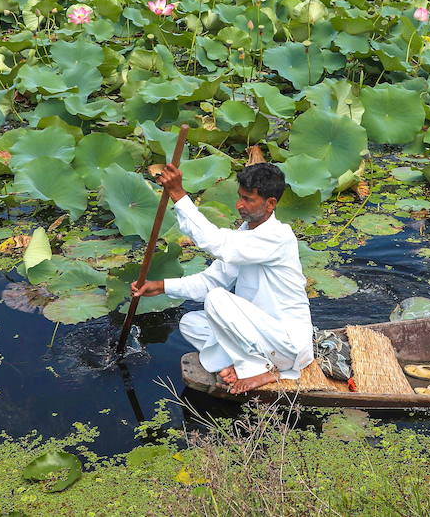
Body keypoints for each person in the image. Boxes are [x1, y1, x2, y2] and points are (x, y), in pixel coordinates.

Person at [129, 162, 313, 393]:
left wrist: (178, 194)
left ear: (270, 204)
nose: (239, 205)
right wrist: (163, 286)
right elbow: (210, 281)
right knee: (192, 323)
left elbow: (217, 244)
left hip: (287, 343)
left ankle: (263, 370)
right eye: (240, 197)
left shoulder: (277, 237)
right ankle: (243, 363)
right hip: (258, 334)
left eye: (248, 199)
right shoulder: (246, 234)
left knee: (217, 299)